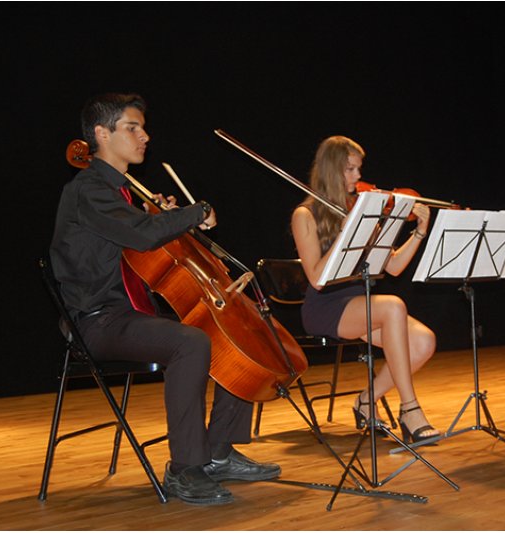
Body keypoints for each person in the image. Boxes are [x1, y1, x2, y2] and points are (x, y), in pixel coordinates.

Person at [49, 93, 280, 506]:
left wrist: (162, 218)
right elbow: (140, 236)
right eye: (132, 128)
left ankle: (219, 452)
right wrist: (193, 212)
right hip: (98, 320)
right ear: (101, 134)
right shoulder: (88, 190)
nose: (144, 136)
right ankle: (185, 468)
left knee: (230, 337)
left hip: (131, 316)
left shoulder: (120, 196)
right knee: (189, 342)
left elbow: (142, 237)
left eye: (142, 127)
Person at [290, 135, 439, 444]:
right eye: (350, 169)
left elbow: (393, 266)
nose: (358, 177)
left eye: (358, 169)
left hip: (360, 302)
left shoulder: (360, 210)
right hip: (326, 307)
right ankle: (410, 410)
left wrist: (419, 233)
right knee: (393, 306)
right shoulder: (304, 216)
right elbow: (317, 279)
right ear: (332, 170)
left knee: (424, 342)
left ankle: (366, 401)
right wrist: (347, 232)